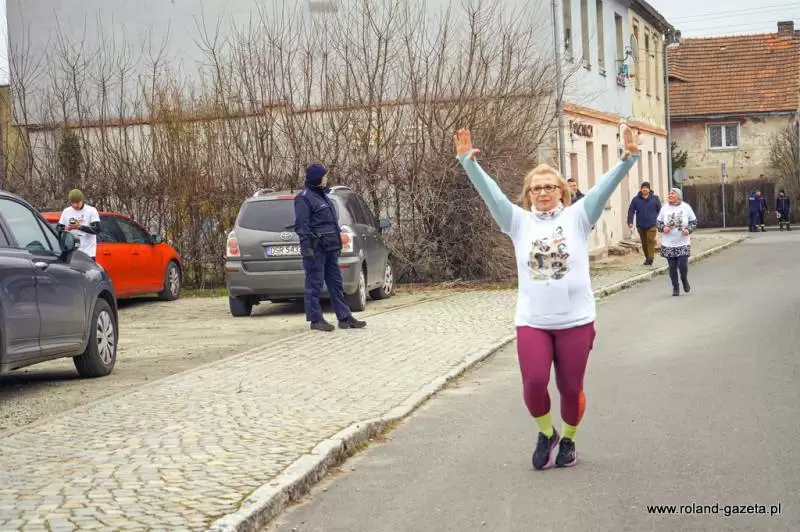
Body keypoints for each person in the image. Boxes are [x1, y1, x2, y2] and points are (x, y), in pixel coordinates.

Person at [453, 124, 641, 470]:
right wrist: (469, 163)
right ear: (528, 195)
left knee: (570, 388)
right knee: (534, 383)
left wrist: (627, 160)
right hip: (533, 321)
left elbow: (603, 188)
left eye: (549, 187)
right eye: (536, 188)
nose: (542, 192)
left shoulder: (579, 217)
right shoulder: (517, 222)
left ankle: (568, 439)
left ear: (561, 192)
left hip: (576, 320)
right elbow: (492, 195)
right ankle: (546, 432)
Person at [294, 164, 366, 332]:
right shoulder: (304, 198)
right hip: (315, 249)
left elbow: (331, 224)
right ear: (318, 178)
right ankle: (315, 319)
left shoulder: (323, 196)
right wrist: (306, 248)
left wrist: (337, 244)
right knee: (314, 285)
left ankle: (344, 317)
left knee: (336, 283)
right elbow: (302, 226)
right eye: (324, 176)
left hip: (330, 248)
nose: (326, 179)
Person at [656, 188, 698, 297]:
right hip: (668, 243)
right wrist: (663, 228)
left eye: (672, 194)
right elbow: (658, 222)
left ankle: (684, 279)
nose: (670, 195)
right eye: (669, 194)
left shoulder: (686, 207)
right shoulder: (664, 208)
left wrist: (688, 230)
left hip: (683, 242)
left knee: (682, 265)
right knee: (672, 266)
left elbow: (693, 221)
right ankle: (675, 287)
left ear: (678, 196)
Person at [57, 189, 101, 260]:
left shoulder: (91, 210)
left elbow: (97, 229)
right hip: (71, 252)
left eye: (77, 202)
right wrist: (65, 228)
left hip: (88, 252)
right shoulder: (66, 211)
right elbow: (58, 228)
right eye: (73, 203)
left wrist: (79, 227)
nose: (75, 205)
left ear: (82, 200)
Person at [626, 181, 661, 266]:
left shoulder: (655, 198)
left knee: (650, 240)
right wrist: (630, 221)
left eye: (646, 188)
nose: (645, 189)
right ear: (641, 189)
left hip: (652, 224)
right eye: (643, 188)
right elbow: (631, 210)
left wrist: (660, 221)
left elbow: (660, 210)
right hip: (641, 225)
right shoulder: (636, 199)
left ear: (649, 189)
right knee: (644, 243)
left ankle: (650, 258)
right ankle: (647, 257)